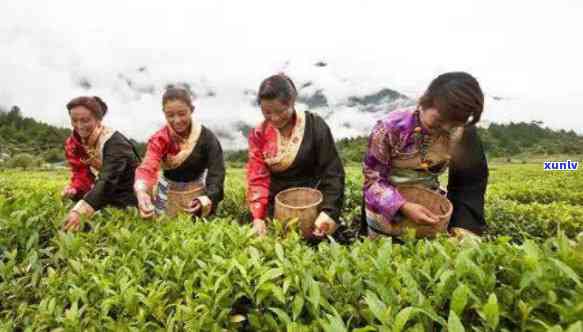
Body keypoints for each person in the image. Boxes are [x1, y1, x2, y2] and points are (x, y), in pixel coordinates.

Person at [362, 72, 488, 238]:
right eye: (439, 121)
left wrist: (463, 227)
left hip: (429, 207)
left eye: (455, 123)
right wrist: (403, 206)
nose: (446, 127)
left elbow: (469, 184)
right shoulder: (389, 129)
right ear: (424, 101)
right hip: (385, 209)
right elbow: (372, 181)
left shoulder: (461, 133)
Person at [246, 74, 345, 238]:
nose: (275, 118)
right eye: (267, 112)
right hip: (276, 207)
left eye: (281, 111)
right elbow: (257, 178)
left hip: (313, 205)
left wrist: (329, 211)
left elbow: (332, 172)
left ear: (292, 101)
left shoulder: (315, 126)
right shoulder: (259, 134)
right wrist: (259, 217)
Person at [134, 87, 225, 218]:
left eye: (182, 114)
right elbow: (148, 165)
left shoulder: (206, 137)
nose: (176, 120)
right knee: (162, 229)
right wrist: (141, 191)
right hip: (165, 193)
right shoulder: (160, 139)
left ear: (191, 110)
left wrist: (208, 197)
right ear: (164, 113)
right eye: (170, 115)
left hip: (197, 195)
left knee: (197, 232)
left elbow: (217, 172)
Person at [62, 96, 140, 231]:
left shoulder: (115, 143)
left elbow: (108, 179)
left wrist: (82, 209)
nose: (79, 126)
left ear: (98, 120)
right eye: (74, 120)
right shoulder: (78, 142)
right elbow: (80, 172)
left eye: (85, 120)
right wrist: (75, 189)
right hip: (103, 194)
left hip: (128, 197)